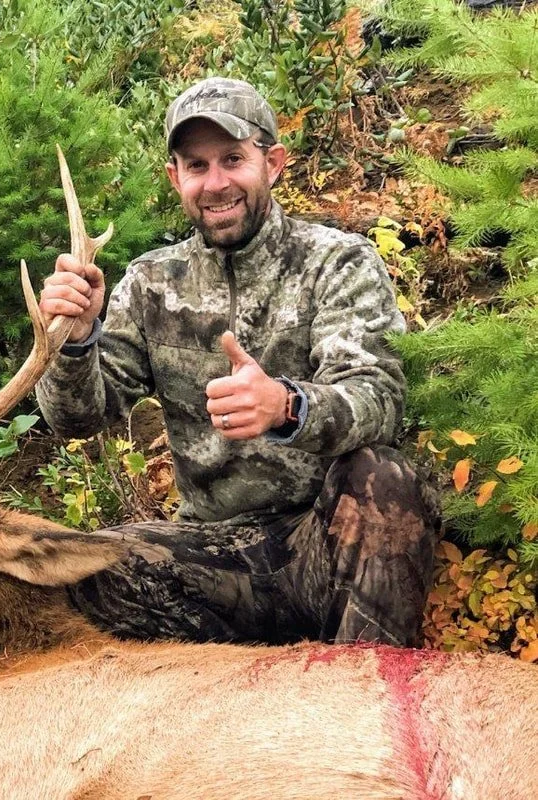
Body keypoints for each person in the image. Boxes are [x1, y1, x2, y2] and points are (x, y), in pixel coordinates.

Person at [36, 78, 439, 648]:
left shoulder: (337, 263)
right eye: (197, 166)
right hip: (215, 555)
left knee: (386, 478)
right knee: (83, 571)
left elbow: (379, 398)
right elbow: (76, 420)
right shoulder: (152, 283)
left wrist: (287, 406)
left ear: (272, 163)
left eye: (233, 159)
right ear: (176, 177)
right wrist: (74, 343)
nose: (217, 183)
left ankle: (365, 696)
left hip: (323, 541)